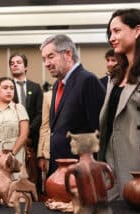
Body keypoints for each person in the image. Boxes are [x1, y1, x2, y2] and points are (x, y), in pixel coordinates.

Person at [98, 8, 140, 200]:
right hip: (112, 163)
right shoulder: (115, 75)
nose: (112, 37)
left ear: (137, 30)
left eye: (117, 31)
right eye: (110, 33)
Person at [40, 34, 105, 175]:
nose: (46, 63)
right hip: (59, 169)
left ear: (68, 54)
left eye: (51, 56)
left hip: (80, 172)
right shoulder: (58, 84)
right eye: (44, 59)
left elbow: (99, 130)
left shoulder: (88, 80)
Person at [0, 77, 29, 177]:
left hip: (15, 152)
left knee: (15, 185)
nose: (9, 91)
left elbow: (24, 134)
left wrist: (12, 153)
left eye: (12, 88)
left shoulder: (19, 108)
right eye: (5, 88)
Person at [9, 53, 42, 184]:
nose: (15, 65)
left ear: (26, 67)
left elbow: (40, 113)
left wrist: (27, 131)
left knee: (32, 173)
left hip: (32, 138)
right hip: (12, 136)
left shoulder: (35, 87)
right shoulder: (7, 86)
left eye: (18, 62)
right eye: (12, 63)